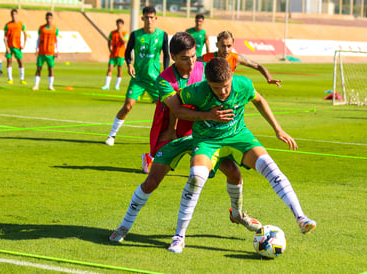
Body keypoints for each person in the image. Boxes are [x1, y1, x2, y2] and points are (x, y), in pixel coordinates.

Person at [109, 33, 260, 243]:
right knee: (152, 181)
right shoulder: (164, 80)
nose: (190, 62)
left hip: (204, 136)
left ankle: (237, 214)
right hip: (171, 135)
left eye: (192, 56)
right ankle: (124, 226)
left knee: (234, 173)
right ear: (172, 57)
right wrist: (209, 115)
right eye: (184, 58)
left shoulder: (204, 69)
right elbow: (178, 111)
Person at [166, 57, 316, 253]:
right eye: (216, 87)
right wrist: (205, 117)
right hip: (207, 140)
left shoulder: (243, 84)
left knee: (270, 167)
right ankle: (179, 236)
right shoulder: (196, 91)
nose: (222, 91)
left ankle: (301, 218)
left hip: (238, 135)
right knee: (196, 177)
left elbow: (259, 100)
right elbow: (174, 107)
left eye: (226, 86)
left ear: (232, 77)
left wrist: (278, 129)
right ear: (207, 82)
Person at [105, 6, 170, 174]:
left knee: (167, 110)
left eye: (152, 17)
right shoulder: (136, 34)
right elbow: (127, 53)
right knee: (127, 106)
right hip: (138, 79)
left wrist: (167, 74)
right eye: (146, 17)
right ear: (142, 19)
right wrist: (130, 64)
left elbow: (167, 55)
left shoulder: (162, 35)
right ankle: (112, 135)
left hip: (156, 80)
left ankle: (164, 142)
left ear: (156, 18)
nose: (149, 20)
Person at [201, 30, 281, 88]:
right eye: (223, 46)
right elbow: (190, 61)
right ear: (217, 44)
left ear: (233, 45)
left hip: (227, 94)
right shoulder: (207, 58)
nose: (226, 50)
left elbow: (258, 66)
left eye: (229, 46)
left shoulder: (236, 58)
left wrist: (269, 78)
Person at [32, 12, 59, 91]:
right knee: (39, 68)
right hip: (42, 52)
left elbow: (56, 41)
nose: (49, 20)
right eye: (47, 18)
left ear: (52, 19)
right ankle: (36, 85)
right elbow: (38, 39)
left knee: (50, 69)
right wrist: (36, 49)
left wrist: (57, 50)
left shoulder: (55, 29)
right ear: (45, 18)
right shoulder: (41, 28)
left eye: (50, 18)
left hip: (50, 52)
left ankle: (50, 86)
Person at [101, 19, 129, 91]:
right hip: (113, 54)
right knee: (110, 68)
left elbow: (124, 42)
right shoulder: (112, 33)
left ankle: (117, 85)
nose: (119, 25)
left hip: (121, 54)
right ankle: (107, 85)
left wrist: (120, 33)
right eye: (118, 24)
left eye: (120, 24)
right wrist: (109, 49)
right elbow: (109, 40)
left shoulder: (125, 33)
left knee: (119, 69)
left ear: (122, 25)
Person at [4, 9, 27, 85]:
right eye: (12, 14)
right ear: (11, 15)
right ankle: (10, 79)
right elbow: (5, 36)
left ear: (17, 15)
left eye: (15, 14)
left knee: (20, 62)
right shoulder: (8, 25)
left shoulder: (21, 24)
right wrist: (7, 47)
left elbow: (25, 34)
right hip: (10, 46)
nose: (14, 16)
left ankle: (22, 79)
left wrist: (24, 44)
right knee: (9, 61)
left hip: (17, 46)